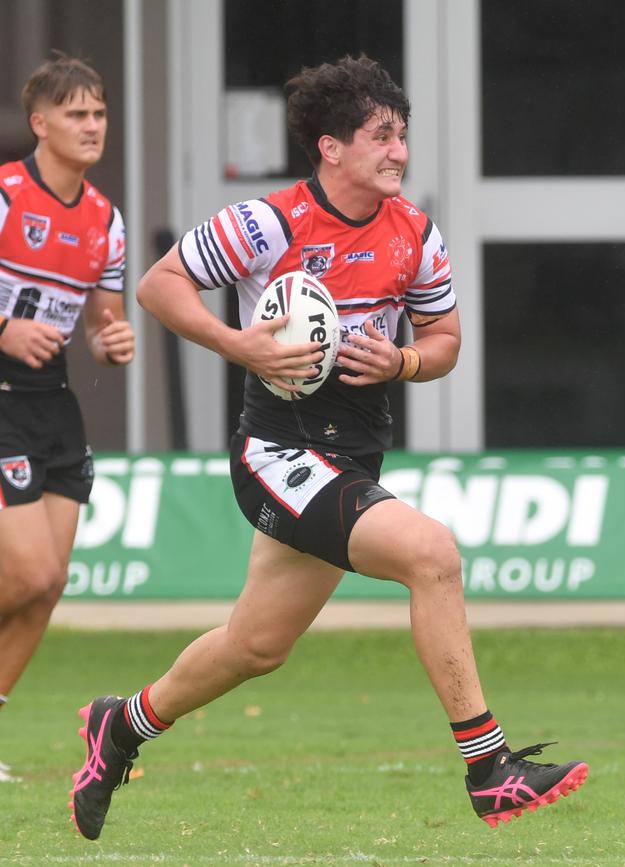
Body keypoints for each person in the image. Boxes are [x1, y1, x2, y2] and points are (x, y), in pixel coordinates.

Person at [70, 55, 587, 837]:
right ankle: (490, 769)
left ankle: (124, 724)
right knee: (433, 553)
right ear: (331, 147)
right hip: (278, 452)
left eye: (403, 135)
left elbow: (444, 338)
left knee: (256, 645)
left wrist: (404, 360)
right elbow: (159, 286)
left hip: (353, 453)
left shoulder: (414, 232)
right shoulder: (266, 223)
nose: (399, 151)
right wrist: (241, 345)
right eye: (382, 135)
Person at [0, 55, 135, 783]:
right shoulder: (5, 195)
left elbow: (102, 321)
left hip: (54, 401)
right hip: (1, 394)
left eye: (101, 114)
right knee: (30, 570)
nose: (92, 126)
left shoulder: (106, 220)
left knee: (48, 584)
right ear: (40, 123)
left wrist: (110, 342)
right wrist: (2, 330)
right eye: (78, 114)